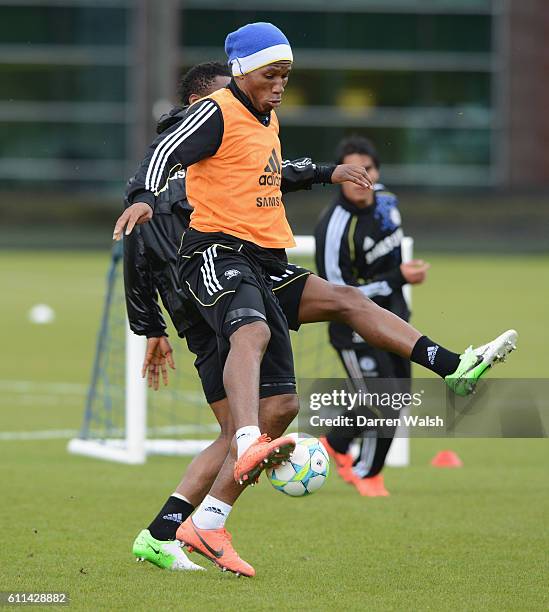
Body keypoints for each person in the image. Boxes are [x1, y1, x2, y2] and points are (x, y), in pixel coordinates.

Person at [114, 23, 517, 577]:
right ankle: (238, 461)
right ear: (239, 72)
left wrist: (328, 171)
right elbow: (161, 155)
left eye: (286, 75)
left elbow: (269, 175)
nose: (280, 85)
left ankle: (451, 367)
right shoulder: (213, 112)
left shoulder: (265, 118)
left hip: (262, 261)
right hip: (213, 258)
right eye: (270, 75)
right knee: (249, 346)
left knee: (318, 346)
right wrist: (140, 200)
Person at [315, 135, 428, 497]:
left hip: (395, 319)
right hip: (353, 327)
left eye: (368, 170)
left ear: (377, 173)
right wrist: (398, 278)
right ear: (340, 176)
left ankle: (335, 442)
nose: (361, 179)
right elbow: (337, 294)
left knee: (397, 400)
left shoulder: (388, 202)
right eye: (352, 173)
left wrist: (403, 275)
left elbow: (391, 258)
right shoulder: (334, 226)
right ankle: (367, 474)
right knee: (382, 401)